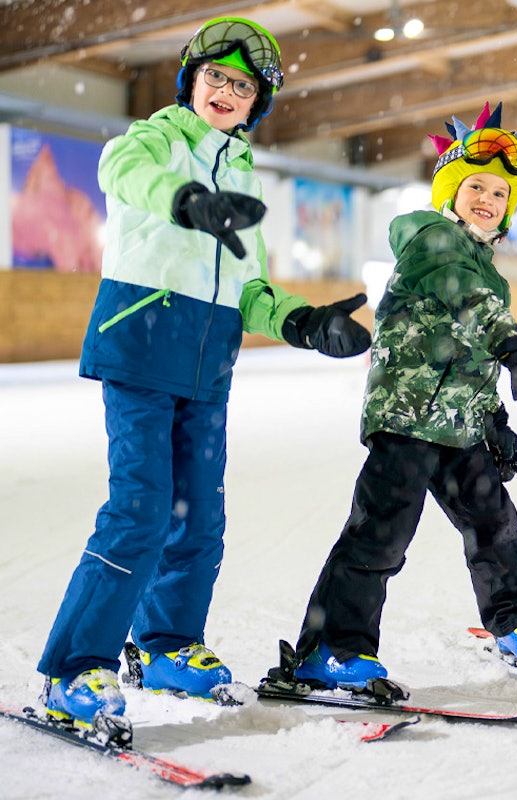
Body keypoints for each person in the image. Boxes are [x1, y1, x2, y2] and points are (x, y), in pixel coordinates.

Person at [36, 17, 372, 731]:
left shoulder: (244, 177)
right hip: (142, 346)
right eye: (215, 76)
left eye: (242, 85)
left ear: (259, 103)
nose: (225, 90)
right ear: (191, 80)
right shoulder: (158, 138)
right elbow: (119, 170)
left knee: (200, 519)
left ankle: (167, 644)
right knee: (141, 511)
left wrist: (307, 323)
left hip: (208, 361)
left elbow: (251, 289)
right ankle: (75, 667)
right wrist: (187, 201)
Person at [285, 102, 517, 692]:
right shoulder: (432, 238)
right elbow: (468, 304)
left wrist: (494, 419)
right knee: (380, 535)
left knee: (497, 528)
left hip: (459, 427)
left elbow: (469, 348)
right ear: (450, 194)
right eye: (475, 187)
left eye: (499, 193)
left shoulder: (490, 270)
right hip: (408, 420)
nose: (487, 199)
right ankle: (330, 650)